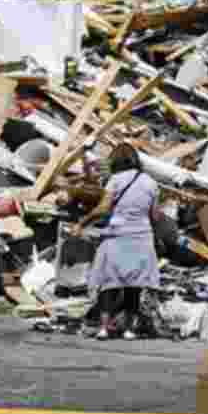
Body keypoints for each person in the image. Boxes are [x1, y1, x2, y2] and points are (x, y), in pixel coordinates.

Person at [75, 143, 162, 340]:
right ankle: (129, 330)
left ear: (116, 162)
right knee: (134, 284)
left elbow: (103, 208)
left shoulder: (115, 180)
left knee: (109, 282)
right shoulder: (151, 182)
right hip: (141, 237)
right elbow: (155, 216)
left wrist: (83, 222)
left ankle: (104, 328)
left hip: (117, 235)